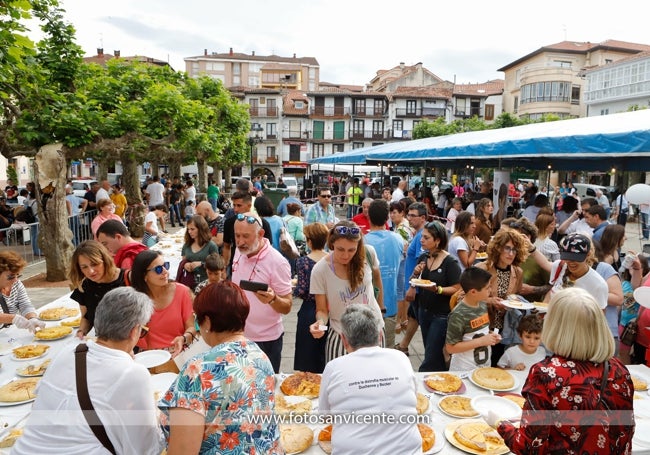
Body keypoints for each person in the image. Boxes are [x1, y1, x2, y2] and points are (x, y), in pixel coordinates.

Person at [13, 287, 164, 454]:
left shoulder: (68, 351)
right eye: (142, 330)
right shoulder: (132, 373)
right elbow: (144, 448)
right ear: (134, 330)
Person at [487, 288, 634, 454]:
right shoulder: (619, 370)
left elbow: (529, 447)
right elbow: (624, 434)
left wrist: (499, 423)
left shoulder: (546, 373)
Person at [159, 281, 281, 454]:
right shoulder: (260, 355)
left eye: (197, 321)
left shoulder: (196, 371)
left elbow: (183, 450)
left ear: (207, 322)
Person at [318, 304, 422, 455]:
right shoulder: (400, 358)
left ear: (344, 340)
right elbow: (413, 398)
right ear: (380, 335)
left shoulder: (334, 367)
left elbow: (324, 416)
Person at [310, 220, 384, 363]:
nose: (345, 255)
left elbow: (377, 279)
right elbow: (322, 309)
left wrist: (382, 309)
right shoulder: (320, 270)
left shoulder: (368, 253)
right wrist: (320, 323)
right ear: (331, 245)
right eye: (340, 249)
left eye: (351, 250)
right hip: (341, 334)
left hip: (374, 331)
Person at [231, 212, 292, 372]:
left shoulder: (277, 262)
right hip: (238, 335)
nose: (240, 241)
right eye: (237, 235)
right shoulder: (239, 251)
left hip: (266, 340)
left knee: (266, 388)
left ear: (261, 234)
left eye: (246, 236)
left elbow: (287, 307)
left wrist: (273, 299)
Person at [409, 220, 462, 371]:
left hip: (441, 315)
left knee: (432, 355)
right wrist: (416, 273)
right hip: (424, 311)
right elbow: (414, 280)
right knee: (431, 351)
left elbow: (457, 288)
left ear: (437, 240)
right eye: (422, 237)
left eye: (426, 238)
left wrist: (438, 290)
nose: (421, 240)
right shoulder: (424, 258)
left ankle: (424, 378)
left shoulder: (450, 262)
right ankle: (439, 378)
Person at [476, 229, 528, 366]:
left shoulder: (518, 272)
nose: (511, 254)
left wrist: (513, 302)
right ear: (498, 248)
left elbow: (516, 296)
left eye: (514, 250)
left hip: (505, 329)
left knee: (498, 365)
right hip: (483, 326)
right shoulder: (482, 268)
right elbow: (463, 297)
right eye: (507, 248)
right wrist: (490, 301)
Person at [131, 250, 197, 357]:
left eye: (165, 265)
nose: (165, 271)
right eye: (158, 269)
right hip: (150, 356)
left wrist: (184, 338)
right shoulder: (136, 300)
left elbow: (192, 327)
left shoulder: (182, 292)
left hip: (179, 354)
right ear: (144, 276)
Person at [364, 199, 404, 348]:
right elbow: (401, 277)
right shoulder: (398, 239)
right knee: (388, 351)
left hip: (367, 305)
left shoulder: (363, 242)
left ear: (369, 217)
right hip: (390, 305)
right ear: (387, 217)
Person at [69, 240, 128, 339]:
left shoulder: (127, 280)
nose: (91, 271)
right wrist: (81, 331)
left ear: (105, 260)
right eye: (84, 267)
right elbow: (86, 317)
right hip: (102, 342)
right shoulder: (85, 286)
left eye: (95, 264)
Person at [446, 266, 500, 370]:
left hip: (483, 367)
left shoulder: (482, 304)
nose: (491, 290)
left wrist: (491, 335)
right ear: (473, 292)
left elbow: (479, 331)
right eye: (487, 288)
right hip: (464, 369)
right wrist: (481, 341)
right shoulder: (458, 314)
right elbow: (450, 348)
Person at [293, 222, 329, 373]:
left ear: (309, 241)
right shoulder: (330, 260)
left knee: (306, 352)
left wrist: (294, 288)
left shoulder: (303, 262)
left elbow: (302, 291)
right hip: (328, 308)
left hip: (309, 309)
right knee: (324, 350)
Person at [543, 233, 609, 309]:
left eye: (575, 258)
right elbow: (551, 293)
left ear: (588, 255)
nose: (570, 262)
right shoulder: (559, 267)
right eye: (567, 257)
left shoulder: (599, 285)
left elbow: (598, 318)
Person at [395, 202, 428, 356]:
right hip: (414, 284)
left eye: (412, 216)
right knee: (414, 317)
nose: (409, 219)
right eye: (408, 215)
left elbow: (423, 261)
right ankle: (404, 345)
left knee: (421, 318)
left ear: (422, 218)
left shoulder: (422, 235)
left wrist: (414, 286)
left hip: (418, 286)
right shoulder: (418, 233)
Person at [222, 191, 273, 277]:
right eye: (234, 205)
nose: (235, 209)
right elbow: (226, 246)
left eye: (239, 205)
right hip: (236, 267)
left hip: (259, 269)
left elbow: (269, 248)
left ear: (249, 205)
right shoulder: (229, 223)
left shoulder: (263, 224)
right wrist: (224, 267)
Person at [0, 251, 44, 332]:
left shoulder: (17, 284)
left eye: (18, 275)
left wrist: (32, 318)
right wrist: (13, 318)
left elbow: (25, 304)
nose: (15, 280)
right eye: (11, 277)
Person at [389, 200, 414, 335]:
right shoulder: (404, 225)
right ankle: (404, 319)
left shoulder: (401, 229)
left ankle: (398, 321)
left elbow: (402, 249)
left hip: (402, 262)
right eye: (390, 213)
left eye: (394, 213)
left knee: (399, 293)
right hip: (406, 262)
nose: (392, 215)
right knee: (403, 293)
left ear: (402, 213)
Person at [180, 215, 219, 290]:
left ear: (201, 229)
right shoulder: (187, 245)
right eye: (188, 229)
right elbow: (183, 261)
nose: (189, 232)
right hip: (190, 283)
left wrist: (202, 264)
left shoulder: (211, 246)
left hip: (207, 285)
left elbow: (217, 266)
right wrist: (185, 265)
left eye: (192, 229)